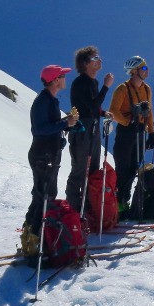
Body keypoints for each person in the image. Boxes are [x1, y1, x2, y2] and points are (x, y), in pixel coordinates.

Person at [24, 65, 78, 248]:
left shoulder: (50, 100)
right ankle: (34, 238)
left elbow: (50, 125)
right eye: (62, 76)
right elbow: (39, 129)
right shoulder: (43, 101)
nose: (65, 79)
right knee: (43, 195)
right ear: (55, 80)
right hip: (42, 155)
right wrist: (64, 124)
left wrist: (67, 123)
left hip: (48, 154)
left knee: (45, 194)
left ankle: (35, 236)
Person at [64, 46, 114, 214]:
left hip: (92, 128)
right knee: (79, 169)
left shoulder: (93, 82)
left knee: (92, 170)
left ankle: (87, 209)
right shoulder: (80, 82)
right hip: (82, 129)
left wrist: (102, 113)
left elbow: (93, 107)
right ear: (85, 63)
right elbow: (91, 106)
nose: (99, 61)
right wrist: (106, 87)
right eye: (95, 58)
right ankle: (73, 210)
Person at [108, 55, 154, 213]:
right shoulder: (122, 89)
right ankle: (117, 204)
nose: (146, 70)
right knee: (122, 168)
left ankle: (125, 202)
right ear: (134, 71)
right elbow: (113, 111)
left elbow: (148, 112)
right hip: (126, 132)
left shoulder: (147, 89)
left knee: (134, 168)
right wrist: (128, 122)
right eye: (143, 68)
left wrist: (151, 132)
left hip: (140, 131)